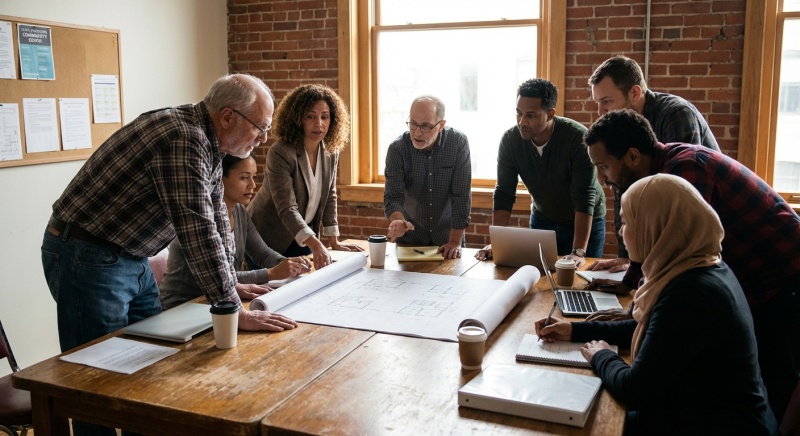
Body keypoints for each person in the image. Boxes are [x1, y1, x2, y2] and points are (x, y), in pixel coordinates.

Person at [41, 74, 298, 436]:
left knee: (151, 368)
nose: (263, 138)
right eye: (260, 128)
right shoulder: (184, 138)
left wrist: (229, 286)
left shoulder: (210, 145)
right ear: (227, 117)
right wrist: (230, 307)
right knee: (95, 384)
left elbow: (216, 222)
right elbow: (196, 231)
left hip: (130, 256)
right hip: (87, 255)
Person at [583, 108, 800, 423]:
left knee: (770, 376)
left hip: (784, 275)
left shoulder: (683, 172)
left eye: (604, 166)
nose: (603, 178)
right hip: (742, 276)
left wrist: (639, 311)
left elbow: (668, 245)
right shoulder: (660, 179)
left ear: (632, 156)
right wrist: (633, 299)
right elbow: (660, 251)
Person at [536, 174, 778, 435]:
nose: (620, 231)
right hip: (704, 414)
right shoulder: (698, 267)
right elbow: (656, 332)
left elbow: (637, 390)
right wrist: (574, 331)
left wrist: (601, 355)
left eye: (627, 222)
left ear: (655, 226)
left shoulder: (691, 293)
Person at [588, 54, 720, 277]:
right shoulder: (624, 126)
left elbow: (678, 205)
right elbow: (624, 187)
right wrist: (627, 258)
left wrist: (639, 275)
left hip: (738, 239)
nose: (600, 111)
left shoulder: (677, 115)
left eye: (607, 101)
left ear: (635, 93)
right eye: (597, 102)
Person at [475, 78, 605, 267]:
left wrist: (578, 251)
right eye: (518, 113)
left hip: (584, 219)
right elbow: (504, 192)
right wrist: (497, 243)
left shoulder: (577, 138)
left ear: (550, 113)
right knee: (539, 277)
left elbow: (584, 196)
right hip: (543, 218)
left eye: (531, 115)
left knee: (580, 278)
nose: (522, 122)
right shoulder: (510, 141)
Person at [160, 154, 311, 310]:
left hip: (218, 300)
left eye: (253, 177)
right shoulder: (201, 217)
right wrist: (271, 273)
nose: (252, 185)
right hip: (185, 305)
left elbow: (262, 253)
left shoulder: (239, 211)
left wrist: (287, 264)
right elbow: (216, 276)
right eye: (244, 178)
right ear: (219, 178)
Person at [248, 84, 362, 272]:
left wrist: (334, 241)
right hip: (265, 238)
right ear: (298, 118)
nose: (319, 123)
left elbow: (329, 195)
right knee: (276, 292)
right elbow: (286, 207)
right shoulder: (281, 152)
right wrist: (317, 245)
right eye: (311, 116)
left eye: (324, 117)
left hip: (302, 236)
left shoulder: (330, 152)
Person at [384, 96, 472, 259]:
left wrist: (454, 242)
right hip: (410, 240)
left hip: (448, 240)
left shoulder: (458, 143)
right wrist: (399, 220)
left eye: (425, 126)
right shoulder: (397, 149)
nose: (417, 132)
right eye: (413, 124)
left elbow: (461, 197)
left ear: (441, 125)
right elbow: (393, 196)